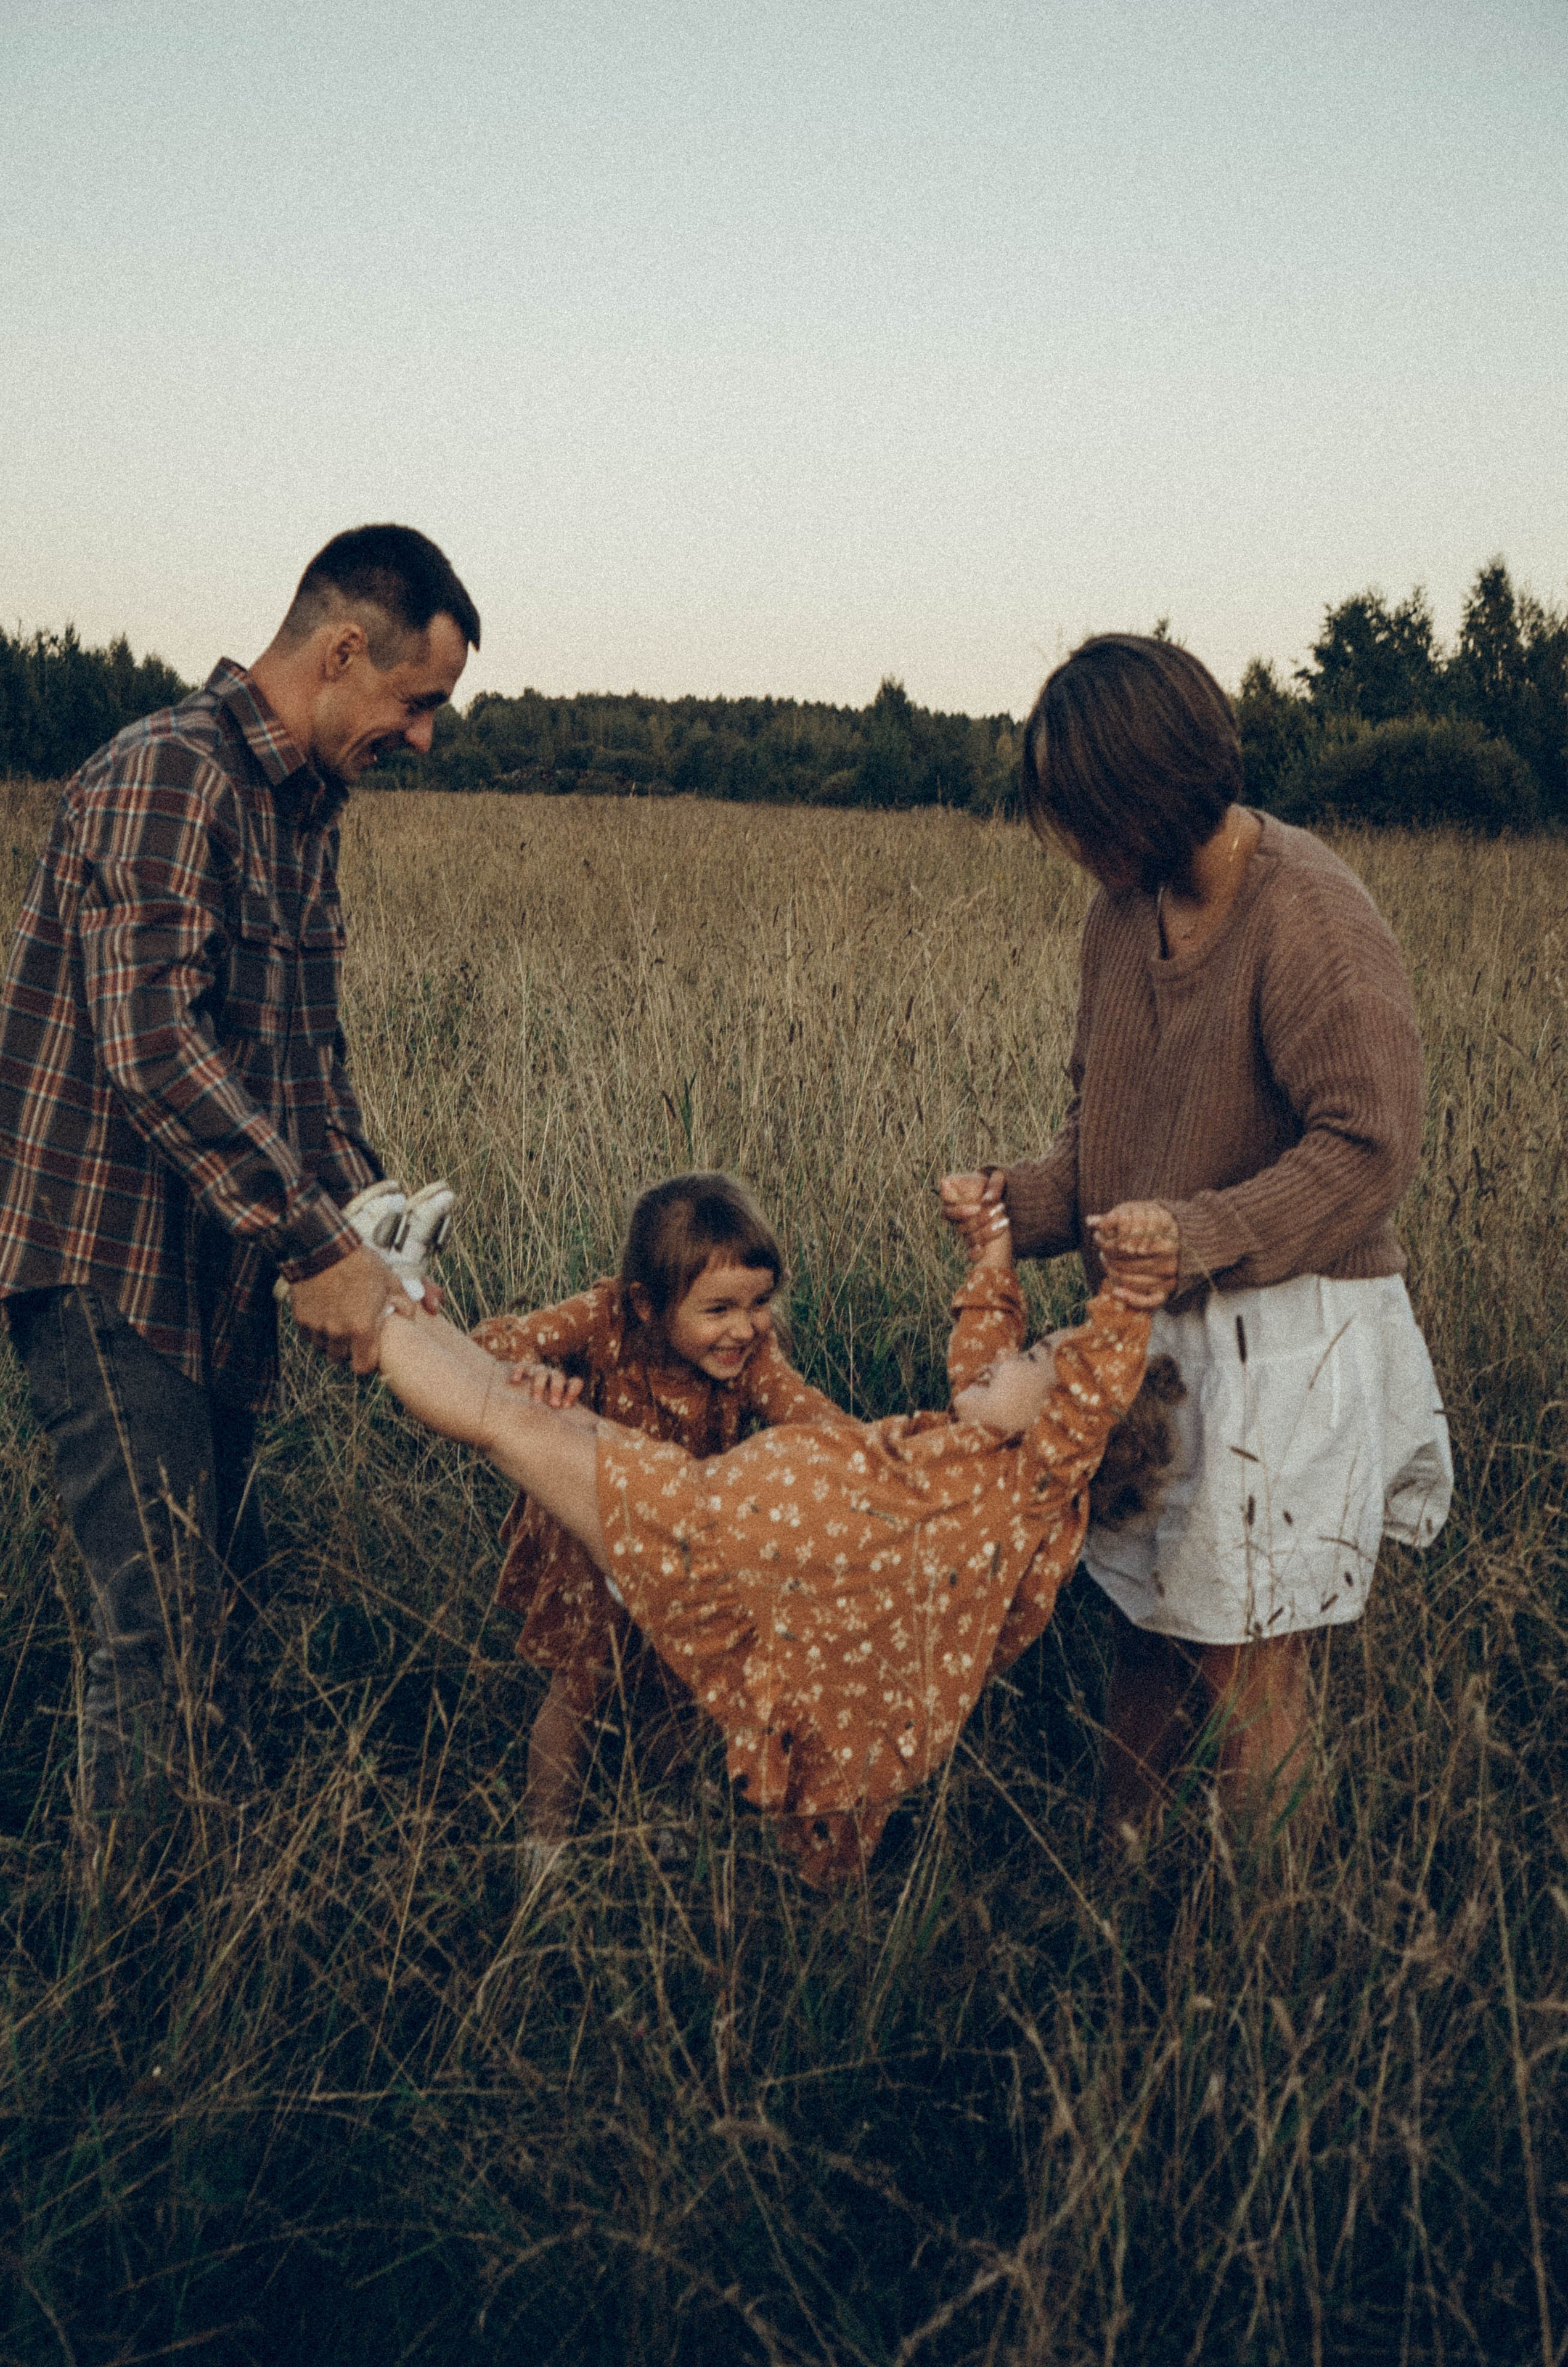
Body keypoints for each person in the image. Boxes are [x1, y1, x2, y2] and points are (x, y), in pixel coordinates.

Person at [0, 524, 479, 1820]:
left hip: (210, 1269)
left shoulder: (305, 811)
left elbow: (303, 1073)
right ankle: (133, 1980)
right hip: (104, 1265)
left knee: (232, 1598)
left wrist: (367, 1229)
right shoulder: (171, 773)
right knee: (158, 1624)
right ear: (340, 652)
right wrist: (313, 1249)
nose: (426, 736)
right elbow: (149, 1042)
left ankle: (227, 1886)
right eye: (418, 700)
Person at [940, 632, 1452, 1836]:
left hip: (1290, 1341)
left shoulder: (1306, 912)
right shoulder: (1118, 919)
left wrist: (1198, 1232)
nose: (1066, 841)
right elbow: (1110, 1155)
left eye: (1079, 811)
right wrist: (1012, 1202)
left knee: (1248, 1671)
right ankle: (1122, 1905)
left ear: (1147, 790)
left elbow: (1368, 1145)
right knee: (1144, 1632)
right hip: (1161, 1342)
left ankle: (1270, 1957)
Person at [373, 1203, 1182, 1885]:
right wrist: (993, 1248)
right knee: (535, 1419)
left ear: (1072, 1424)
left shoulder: (1035, 1485)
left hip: (718, 1553)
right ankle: (397, 1291)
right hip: (709, 1513)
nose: (1007, 1357)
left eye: (1033, 1358)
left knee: (509, 1427)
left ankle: (373, 1306)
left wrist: (1134, 1293)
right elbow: (980, 1349)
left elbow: (1091, 1386)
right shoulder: (987, 1443)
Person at [470, 1173, 844, 1854]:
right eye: (719, 1309)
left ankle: (667, 1823)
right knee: (583, 1684)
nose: (744, 1327)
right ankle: (543, 1846)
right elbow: (494, 1340)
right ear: (647, 1304)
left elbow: (807, 1412)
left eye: (759, 1302)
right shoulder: (606, 1317)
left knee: (688, 1682)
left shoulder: (750, 1355)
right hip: (590, 1535)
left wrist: (872, 1455)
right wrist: (536, 1372)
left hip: (683, 1541)